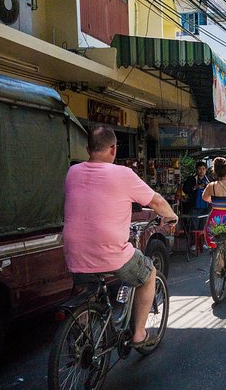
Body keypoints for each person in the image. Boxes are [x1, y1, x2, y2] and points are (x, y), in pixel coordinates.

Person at [63, 125, 178, 348]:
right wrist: (172, 217)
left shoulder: (72, 172)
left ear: (88, 149)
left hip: (74, 253)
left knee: (89, 290)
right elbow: (155, 202)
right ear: (114, 149)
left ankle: (81, 340)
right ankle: (139, 335)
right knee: (148, 273)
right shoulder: (123, 174)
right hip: (110, 252)